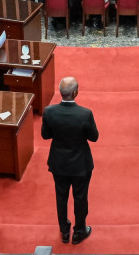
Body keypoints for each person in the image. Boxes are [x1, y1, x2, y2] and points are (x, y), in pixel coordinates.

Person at [41, 77, 98, 245]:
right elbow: (94, 137)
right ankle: (79, 231)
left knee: (61, 197)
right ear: (75, 93)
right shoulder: (85, 114)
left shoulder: (49, 112)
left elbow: (45, 135)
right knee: (80, 197)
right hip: (81, 164)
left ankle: (64, 231)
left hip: (59, 163)